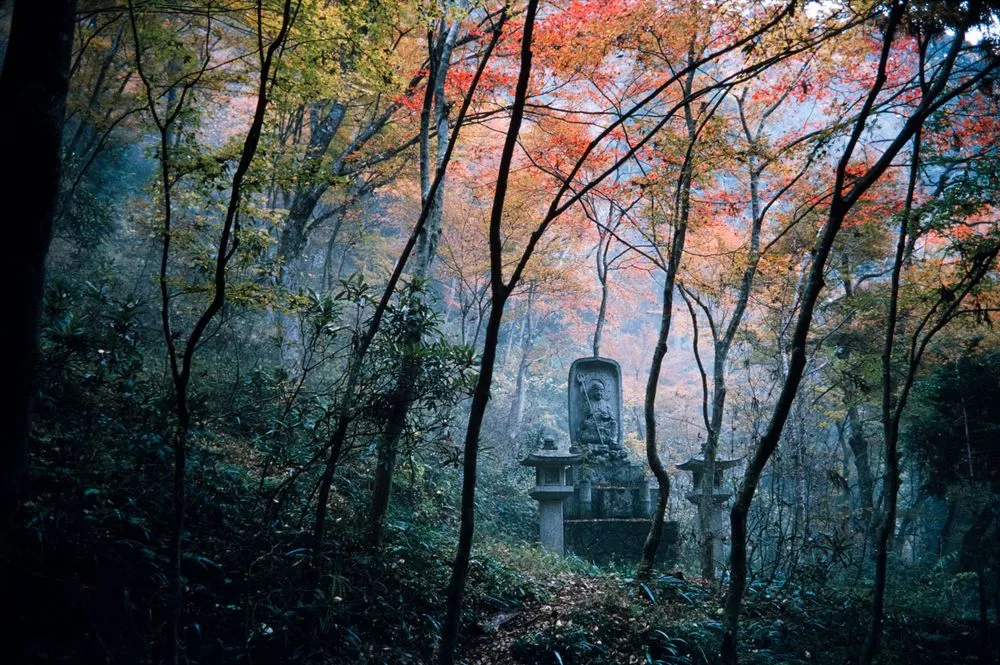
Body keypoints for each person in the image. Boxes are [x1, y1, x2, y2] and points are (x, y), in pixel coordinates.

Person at [578, 378, 618, 449]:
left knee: (613, 423)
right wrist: (589, 415)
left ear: (603, 392)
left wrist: (606, 417)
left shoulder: (606, 404)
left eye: (601, 391)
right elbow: (583, 418)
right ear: (593, 391)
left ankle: (613, 440)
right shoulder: (588, 403)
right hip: (592, 424)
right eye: (597, 390)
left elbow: (612, 417)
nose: (599, 392)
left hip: (604, 424)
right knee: (586, 424)